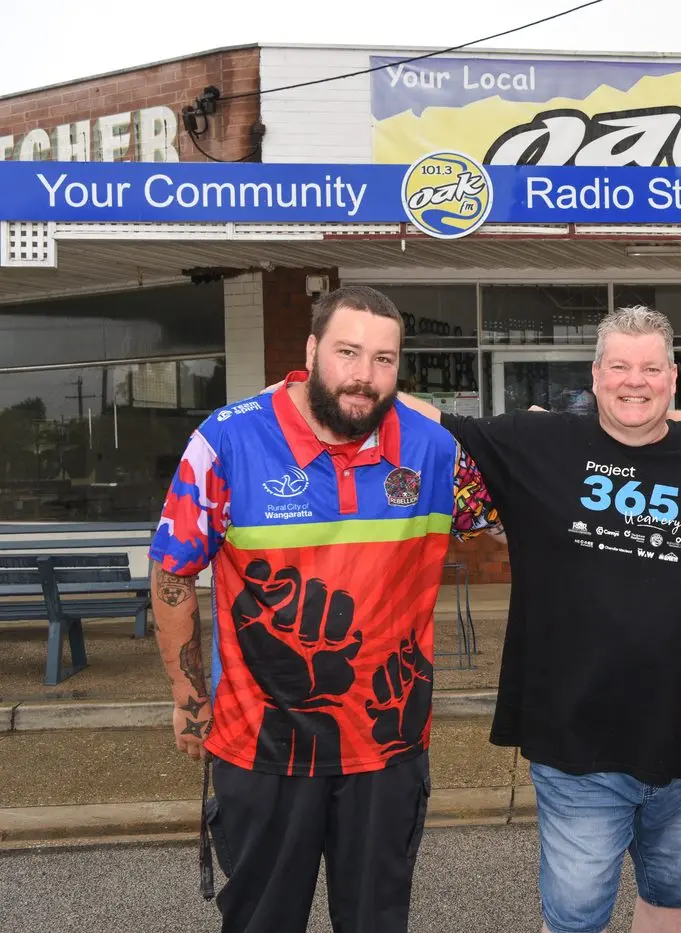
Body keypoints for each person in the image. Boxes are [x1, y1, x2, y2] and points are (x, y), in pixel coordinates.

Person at [399, 305, 681, 933]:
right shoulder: (536, 443)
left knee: (676, 898)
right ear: (595, 375)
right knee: (575, 917)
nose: (634, 380)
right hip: (576, 742)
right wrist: (316, 382)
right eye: (619, 365)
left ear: (673, 378)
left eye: (650, 367)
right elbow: (432, 419)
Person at [149, 285, 488, 933]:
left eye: (384, 359)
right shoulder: (227, 441)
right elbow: (172, 567)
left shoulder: (432, 448)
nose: (364, 376)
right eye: (348, 352)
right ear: (311, 350)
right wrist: (189, 700)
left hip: (387, 751)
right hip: (263, 749)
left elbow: (527, 505)